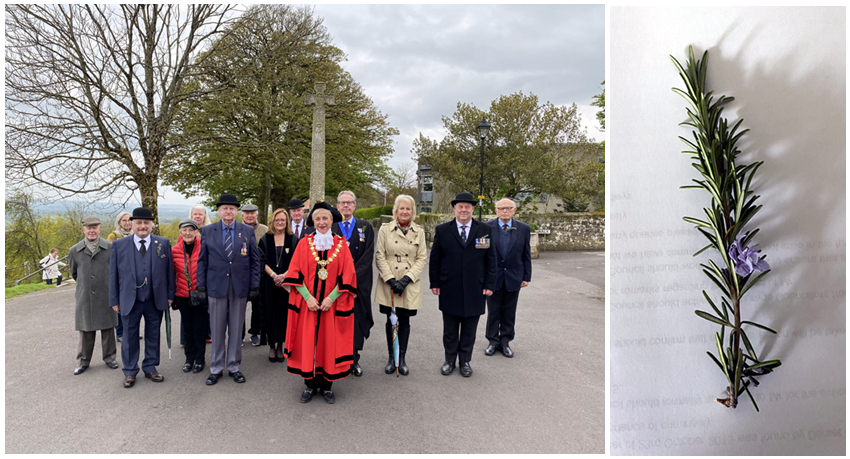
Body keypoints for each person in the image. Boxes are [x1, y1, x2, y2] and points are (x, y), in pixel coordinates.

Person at [283, 202, 356, 404]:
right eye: (318, 219)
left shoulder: (341, 245)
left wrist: (331, 298)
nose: (322, 222)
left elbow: (348, 275)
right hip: (309, 305)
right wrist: (308, 297)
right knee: (308, 342)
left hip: (331, 306)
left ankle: (326, 386)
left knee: (328, 343)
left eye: (326, 218)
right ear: (312, 222)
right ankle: (309, 385)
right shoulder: (304, 243)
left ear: (332, 221)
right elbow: (294, 273)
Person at [429, 192, 497, 378]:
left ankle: (465, 361)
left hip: (476, 288)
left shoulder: (484, 230)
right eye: (460, 206)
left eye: (468, 206)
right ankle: (449, 360)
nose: (464, 210)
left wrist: (490, 283)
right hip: (449, 287)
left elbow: (491, 260)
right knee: (450, 329)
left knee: (469, 329)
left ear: (473, 208)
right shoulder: (443, 230)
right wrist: (434, 282)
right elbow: (435, 259)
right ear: (455, 209)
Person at [196, 193, 261, 386]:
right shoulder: (208, 230)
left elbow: (254, 260)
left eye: (232, 208)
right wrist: (201, 286)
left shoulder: (246, 231)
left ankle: (234, 366)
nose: (228, 211)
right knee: (216, 330)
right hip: (216, 286)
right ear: (219, 210)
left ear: (236, 211)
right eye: (225, 208)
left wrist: (254, 284)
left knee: (235, 329)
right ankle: (216, 368)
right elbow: (202, 261)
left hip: (239, 287)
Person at [109, 207, 175, 388]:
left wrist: (170, 296)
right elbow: (113, 274)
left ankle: (150, 366)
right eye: (139, 223)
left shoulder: (163, 243)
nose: (143, 226)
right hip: (129, 299)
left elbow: (169, 272)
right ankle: (130, 371)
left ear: (151, 225)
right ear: (132, 225)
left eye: (146, 223)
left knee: (153, 334)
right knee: (129, 336)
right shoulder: (119, 245)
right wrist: (114, 300)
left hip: (155, 298)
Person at [374, 194, 427, 376]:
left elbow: (422, 258)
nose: (404, 212)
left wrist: (406, 279)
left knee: (405, 320)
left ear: (413, 211)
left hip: (409, 281)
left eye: (408, 208)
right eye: (401, 208)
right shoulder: (385, 229)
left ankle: (402, 358)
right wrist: (390, 279)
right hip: (389, 280)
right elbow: (379, 255)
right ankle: (391, 357)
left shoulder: (419, 230)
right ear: (396, 210)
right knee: (391, 320)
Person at [69, 217, 118, 375]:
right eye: (88, 227)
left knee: (108, 328)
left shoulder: (110, 247)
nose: (92, 230)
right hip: (85, 296)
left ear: (99, 229)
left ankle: (110, 357)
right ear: (83, 229)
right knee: (85, 330)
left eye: (95, 227)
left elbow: (115, 270)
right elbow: (75, 273)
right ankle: (84, 361)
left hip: (106, 293)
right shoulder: (74, 250)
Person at [333, 190, 374, 377]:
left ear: (355, 205)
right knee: (336, 323)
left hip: (356, 285)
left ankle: (354, 360)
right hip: (334, 285)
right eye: (342, 203)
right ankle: (335, 359)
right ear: (337, 206)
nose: (346, 206)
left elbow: (367, 257)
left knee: (355, 322)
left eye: (349, 203)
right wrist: (339, 279)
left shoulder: (365, 227)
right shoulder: (331, 226)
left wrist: (350, 277)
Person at [484, 198, 532, 358]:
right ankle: (492, 341)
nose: (505, 211)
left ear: (514, 210)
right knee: (493, 311)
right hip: (493, 278)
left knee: (509, 312)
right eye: (501, 208)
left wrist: (526, 276)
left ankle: (505, 342)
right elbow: (481, 255)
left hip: (514, 277)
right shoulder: (486, 228)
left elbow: (526, 254)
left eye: (508, 208)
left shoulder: (523, 229)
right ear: (496, 210)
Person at [171, 219, 208, 374]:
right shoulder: (174, 250)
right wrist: (172, 295)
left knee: (199, 328)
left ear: (196, 232)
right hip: (183, 295)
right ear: (180, 232)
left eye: (191, 230)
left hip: (200, 294)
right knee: (188, 328)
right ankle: (189, 359)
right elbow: (171, 274)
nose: (187, 233)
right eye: (184, 230)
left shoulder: (204, 247)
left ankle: (200, 360)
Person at [258, 208, 295, 363]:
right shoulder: (265, 239)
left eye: (283, 220)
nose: (280, 223)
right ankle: (272, 346)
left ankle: (281, 346)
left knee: (283, 316)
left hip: (286, 284)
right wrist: (274, 275)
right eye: (277, 220)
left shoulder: (293, 239)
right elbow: (261, 259)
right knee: (270, 314)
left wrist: (284, 275)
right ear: (272, 221)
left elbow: (297, 261)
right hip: (269, 282)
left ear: (287, 222)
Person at [241, 203, 268, 346]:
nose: (250, 215)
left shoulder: (264, 230)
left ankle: (254, 332)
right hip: (241, 275)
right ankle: (239, 334)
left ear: (257, 214)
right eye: (247, 213)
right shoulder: (237, 229)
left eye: (252, 213)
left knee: (257, 306)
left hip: (259, 274)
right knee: (239, 306)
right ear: (242, 215)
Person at [106, 211, 133, 342]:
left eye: (129, 220)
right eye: (124, 220)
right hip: (120, 273)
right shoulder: (113, 236)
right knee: (120, 306)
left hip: (133, 275)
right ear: (119, 222)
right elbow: (109, 256)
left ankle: (131, 331)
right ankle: (120, 332)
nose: (127, 223)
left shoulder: (136, 234)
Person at [188, 204, 213, 343]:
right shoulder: (186, 230)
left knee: (206, 306)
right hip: (190, 274)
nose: (197, 217)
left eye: (200, 214)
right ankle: (189, 337)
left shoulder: (209, 231)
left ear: (205, 216)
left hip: (207, 272)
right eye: (195, 214)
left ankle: (207, 333)